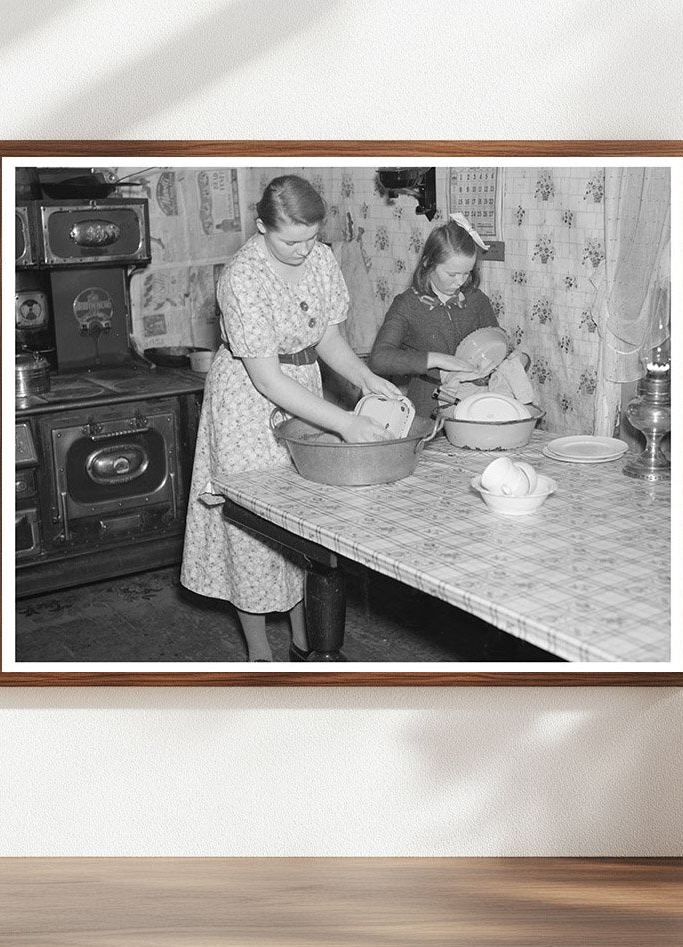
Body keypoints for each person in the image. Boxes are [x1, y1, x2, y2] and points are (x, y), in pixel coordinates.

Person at [180, 175, 401, 662]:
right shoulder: (242, 276)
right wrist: (343, 423)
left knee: (302, 523)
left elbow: (326, 337)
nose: (305, 250)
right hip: (247, 403)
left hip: (304, 389)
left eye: (313, 238)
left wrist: (365, 380)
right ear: (262, 227)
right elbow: (267, 380)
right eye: (291, 240)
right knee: (253, 526)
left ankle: (306, 641)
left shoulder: (320, 259)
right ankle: (260, 655)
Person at [368, 213, 499, 419]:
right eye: (452, 274)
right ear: (429, 263)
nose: (461, 282)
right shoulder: (407, 305)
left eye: (467, 273)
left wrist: (499, 361)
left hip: (473, 402)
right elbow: (379, 359)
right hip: (427, 406)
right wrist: (437, 360)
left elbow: (495, 341)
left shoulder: (476, 300)